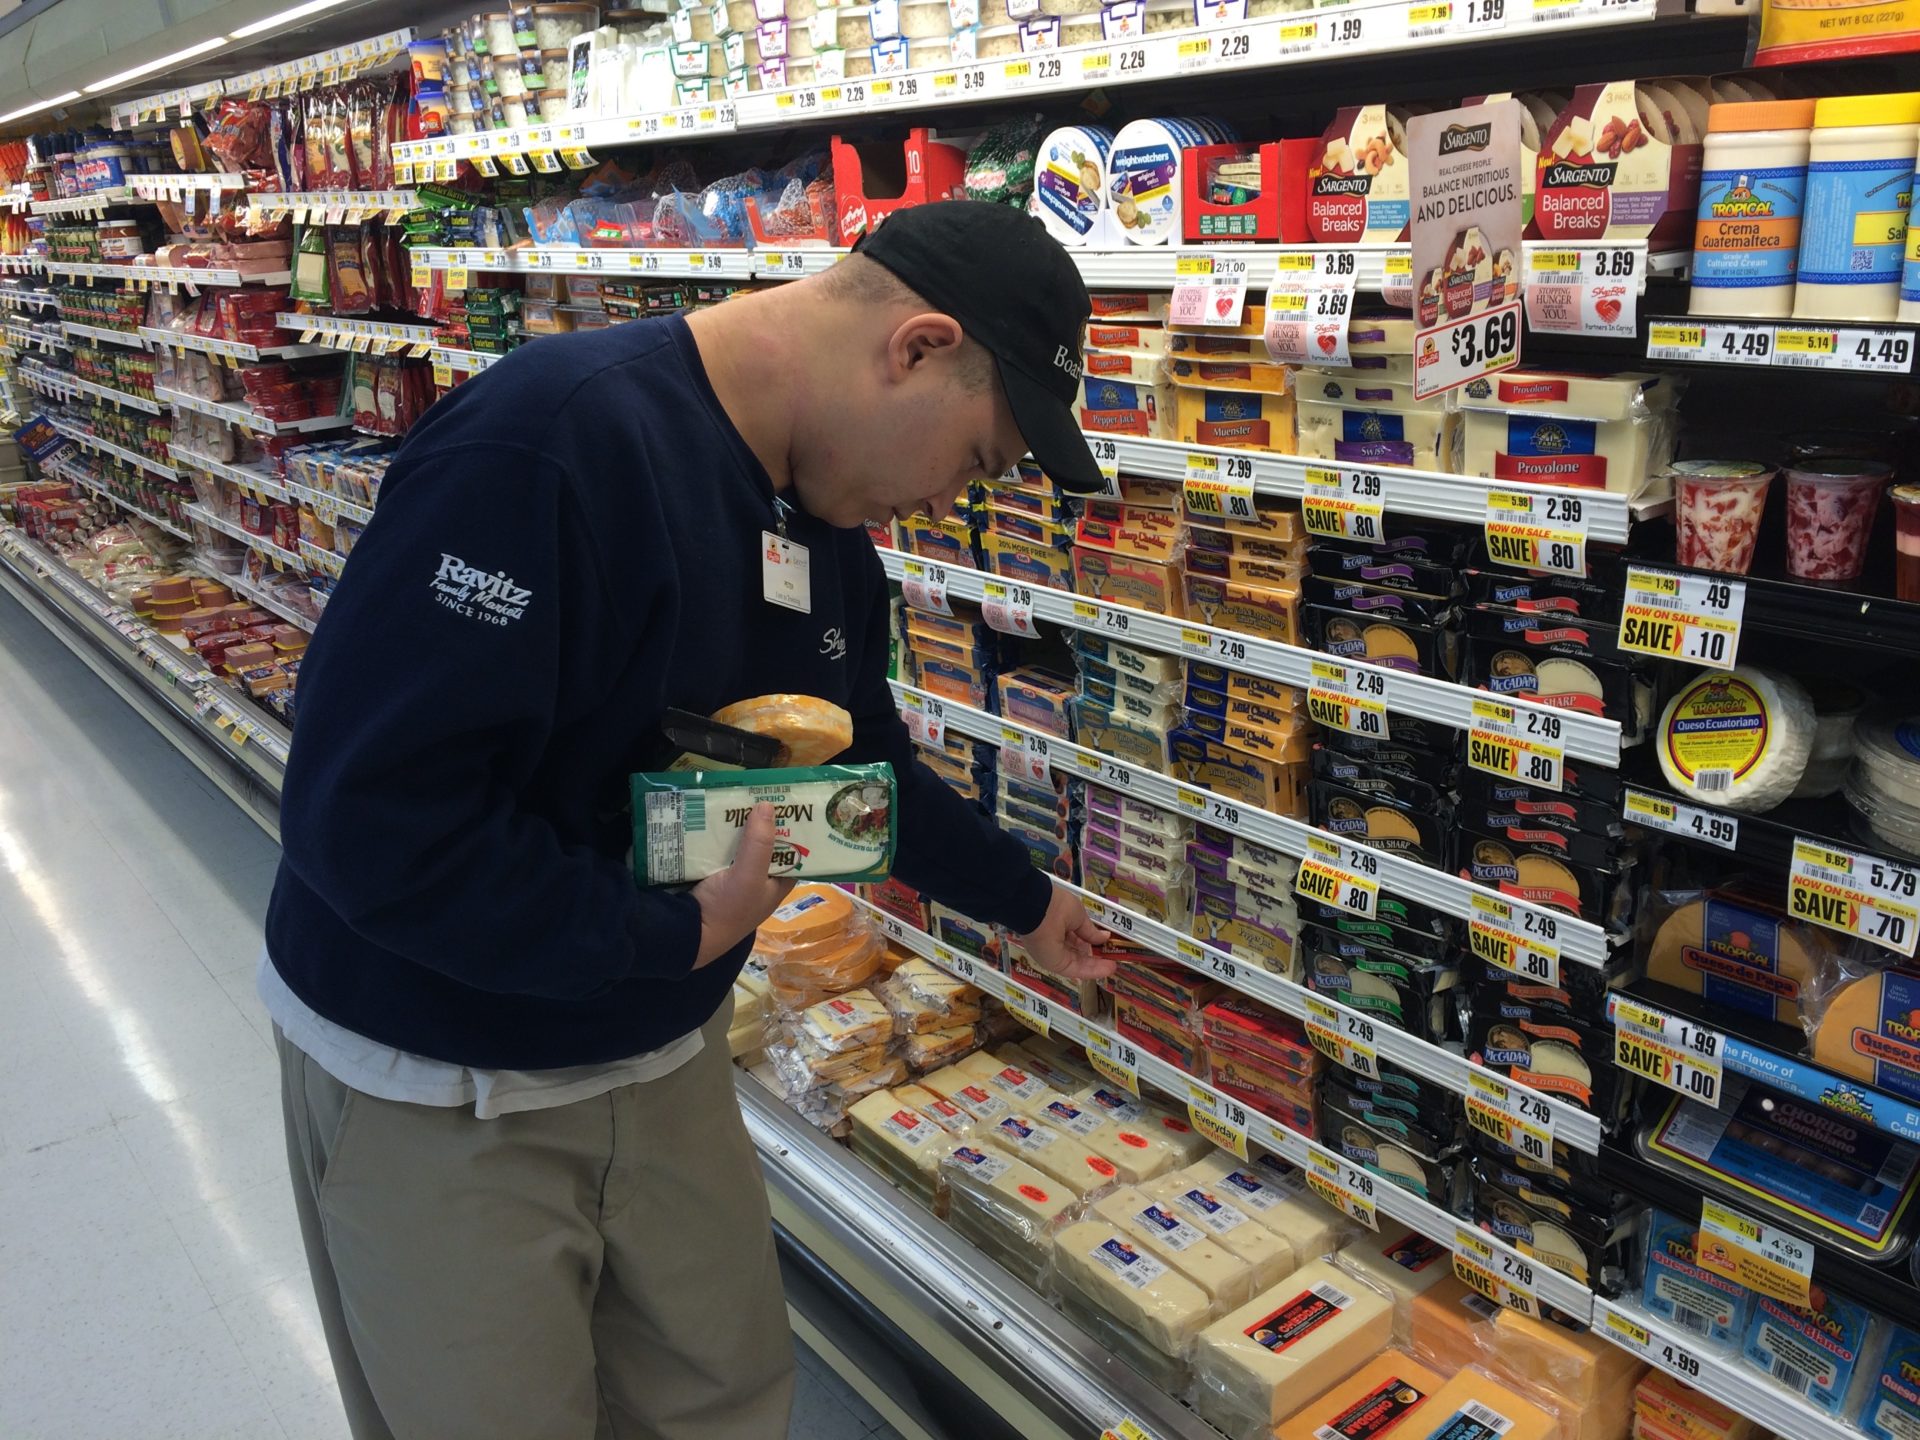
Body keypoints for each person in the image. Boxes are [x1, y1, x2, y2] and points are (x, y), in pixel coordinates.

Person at [262, 199, 1117, 1440]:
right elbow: (373, 825)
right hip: (444, 1080)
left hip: (659, 1054)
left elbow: (854, 769)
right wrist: (666, 935)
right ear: (919, 348)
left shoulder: (821, 531)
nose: (946, 499)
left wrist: (1029, 905)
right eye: (977, 459)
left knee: (717, 1402)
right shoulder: (547, 445)